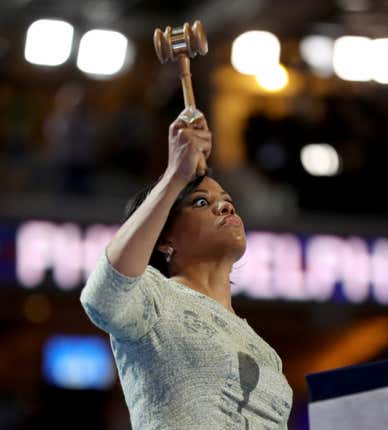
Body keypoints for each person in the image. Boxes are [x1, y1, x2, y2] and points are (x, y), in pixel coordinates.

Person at [80, 116, 293, 429]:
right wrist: (175, 176)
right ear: (165, 238)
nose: (226, 208)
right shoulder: (153, 297)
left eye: (228, 201)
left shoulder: (264, 350)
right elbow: (102, 297)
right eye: (202, 202)